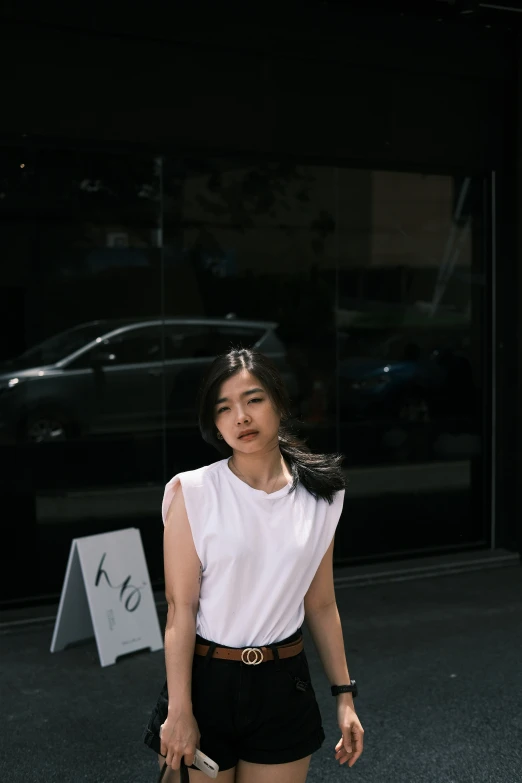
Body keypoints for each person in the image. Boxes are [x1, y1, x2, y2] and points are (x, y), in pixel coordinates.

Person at [144, 348, 364, 782]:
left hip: (284, 683)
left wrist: (345, 696)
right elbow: (180, 608)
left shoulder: (322, 495)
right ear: (214, 421)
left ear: (279, 403)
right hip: (206, 682)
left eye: (253, 399)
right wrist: (180, 710)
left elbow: (320, 604)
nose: (240, 416)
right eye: (224, 407)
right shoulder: (195, 491)